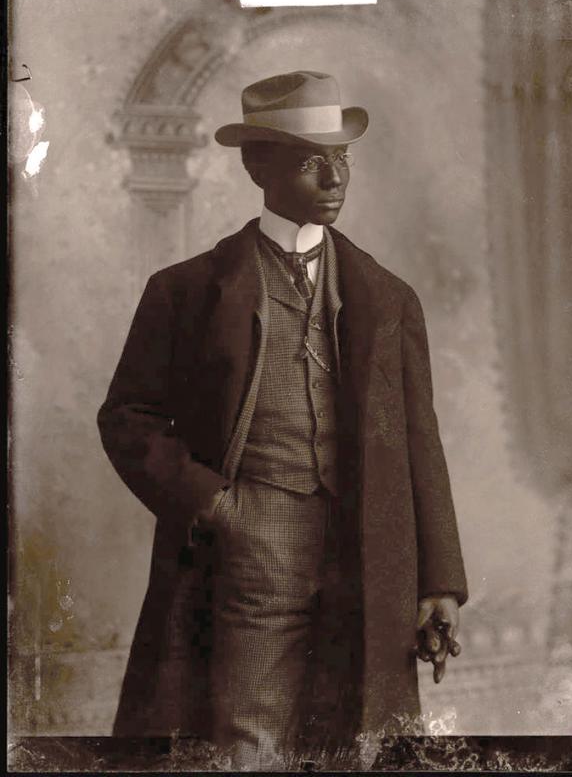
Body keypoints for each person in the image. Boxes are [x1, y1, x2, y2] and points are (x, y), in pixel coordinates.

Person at [97, 70, 468, 769]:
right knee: (250, 740)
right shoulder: (185, 293)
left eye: (342, 156)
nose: (334, 175)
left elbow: (422, 442)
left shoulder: (388, 298)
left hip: (369, 550)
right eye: (308, 159)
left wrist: (439, 578)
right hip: (251, 544)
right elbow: (127, 416)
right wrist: (217, 504)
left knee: (353, 742)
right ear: (256, 164)